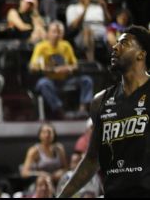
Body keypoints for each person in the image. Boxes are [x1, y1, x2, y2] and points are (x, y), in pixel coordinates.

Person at [60, 26, 150, 197]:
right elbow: (92, 159)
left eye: (124, 43)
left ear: (141, 54)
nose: (115, 47)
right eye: (116, 43)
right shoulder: (100, 101)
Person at [29, 21, 93, 119]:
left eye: (60, 32)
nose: (57, 35)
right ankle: (60, 111)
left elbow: (75, 65)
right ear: (48, 33)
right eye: (54, 32)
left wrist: (68, 68)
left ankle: (82, 109)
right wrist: (53, 70)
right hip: (49, 80)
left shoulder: (66, 45)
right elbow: (33, 67)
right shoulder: (41, 47)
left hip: (65, 80)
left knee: (86, 80)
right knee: (43, 83)